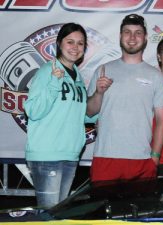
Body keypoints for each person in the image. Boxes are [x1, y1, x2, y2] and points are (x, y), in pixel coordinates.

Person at [87, 14, 163, 182]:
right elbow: (90, 112)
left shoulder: (156, 76)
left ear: (146, 38)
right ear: (120, 36)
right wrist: (99, 92)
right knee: (103, 207)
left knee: (140, 209)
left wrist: (155, 156)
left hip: (141, 159)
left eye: (138, 32)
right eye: (127, 32)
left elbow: (162, 121)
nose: (132, 37)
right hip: (105, 157)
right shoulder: (103, 70)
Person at [24, 23, 88, 207]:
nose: (75, 47)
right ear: (59, 44)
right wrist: (54, 83)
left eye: (80, 43)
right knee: (49, 216)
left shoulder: (77, 76)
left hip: (70, 153)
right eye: (70, 42)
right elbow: (33, 111)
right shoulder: (47, 72)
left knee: (59, 217)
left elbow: (78, 114)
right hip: (47, 155)